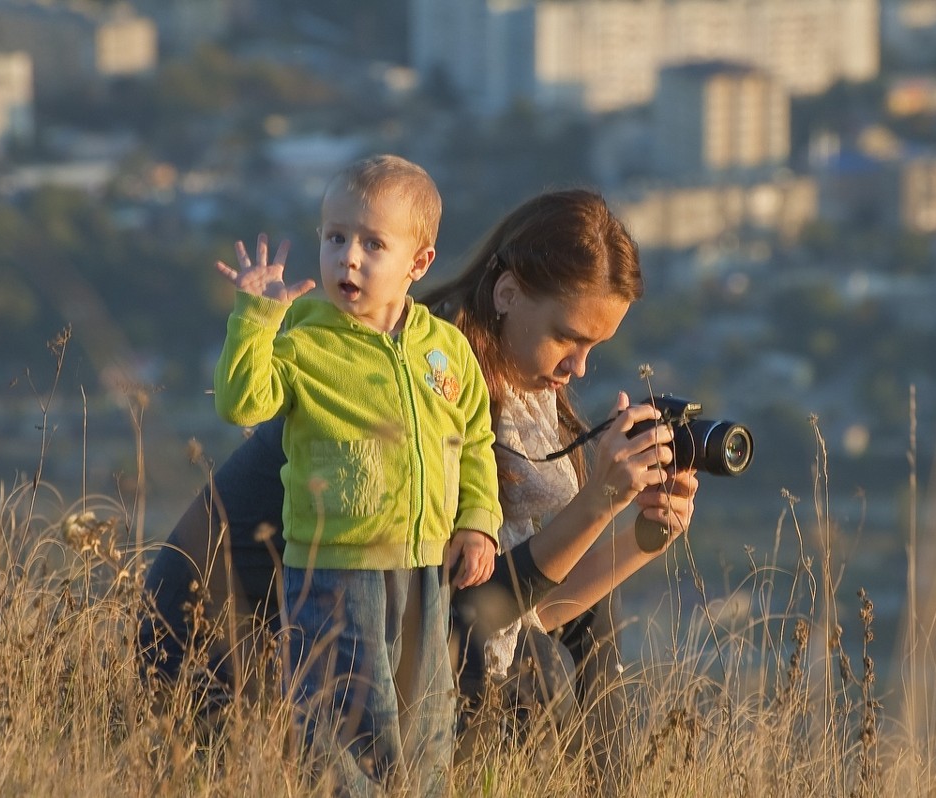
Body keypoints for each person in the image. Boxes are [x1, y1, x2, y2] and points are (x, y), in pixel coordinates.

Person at [139, 187, 699, 785]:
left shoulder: (514, 392)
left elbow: (539, 609)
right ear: (508, 294)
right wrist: (595, 503)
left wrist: (642, 535)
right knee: (526, 662)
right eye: (568, 337)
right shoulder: (429, 379)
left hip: (360, 625)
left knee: (580, 620)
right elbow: (471, 612)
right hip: (223, 657)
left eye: (594, 347)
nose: (579, 367)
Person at [209, 153, 502, 795]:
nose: (349, 258)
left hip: (425, 567)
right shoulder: (304, 340)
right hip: (335, 569)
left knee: (426, 729)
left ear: (418, 264)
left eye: (373, 244)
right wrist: (256, 318)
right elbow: (241, 402)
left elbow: (475, 438)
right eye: (335, 237)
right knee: (345, 730)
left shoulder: (444, 348)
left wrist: (478, 524)